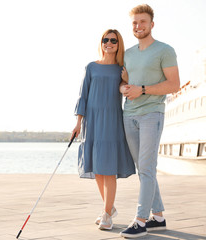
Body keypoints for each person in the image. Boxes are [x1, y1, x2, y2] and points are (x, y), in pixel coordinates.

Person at [119, 4, 180, 238]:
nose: (138, 26)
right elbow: (125, 81)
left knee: (145, 168)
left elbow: (174, 84)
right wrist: (125, 86)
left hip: (152, 114)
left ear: (151, 24)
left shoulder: (165, 50)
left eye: (142, 22)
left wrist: (142, 90)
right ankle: (159, 217)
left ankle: (141, 220)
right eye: (134, 22)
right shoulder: (128, 53)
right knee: (144, 169)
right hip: (129, 115)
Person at [72, 29, 136, 231]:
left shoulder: (121, 69)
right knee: (98, 169)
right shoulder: (91, 67)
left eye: (113, 40)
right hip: (92, 122)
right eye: (105, 40)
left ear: (119, 44)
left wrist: (126, 80)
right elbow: (82, 95)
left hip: (111, 121)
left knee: (108, 169)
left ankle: (107, 214)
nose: (109, 43)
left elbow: (127, 91)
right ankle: (109, 208)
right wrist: (78, 123)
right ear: (101, 43)